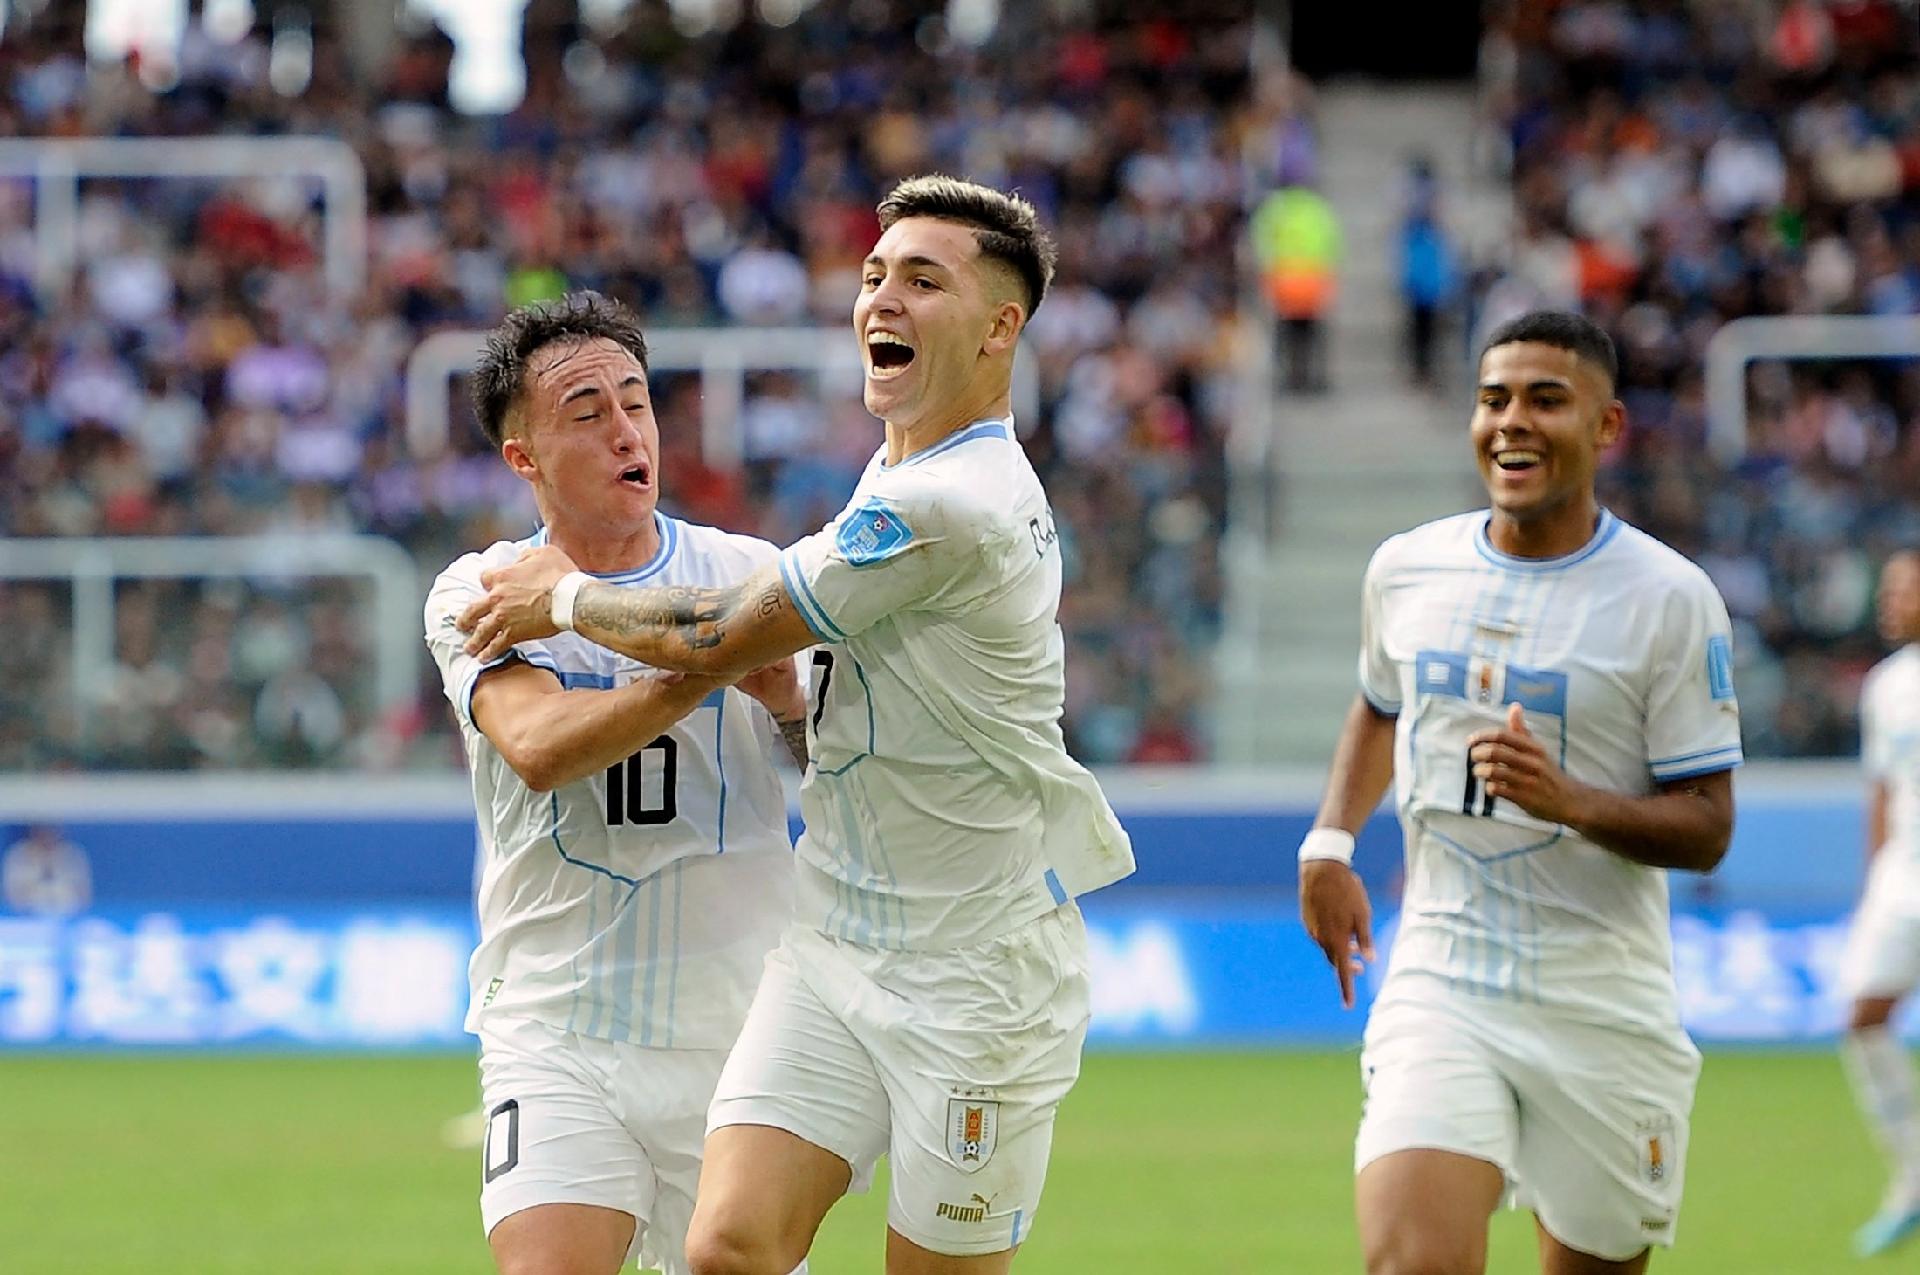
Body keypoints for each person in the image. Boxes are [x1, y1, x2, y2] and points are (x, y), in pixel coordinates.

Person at [457, 174, 1135, 1275]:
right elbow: (787, 695)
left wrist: (568, 602)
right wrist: (792, 699)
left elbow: (726, 629)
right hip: (837, 940)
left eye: (924, 280)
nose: (883, 301)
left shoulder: (948, 500)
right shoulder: (901, 461)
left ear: (1002, 326)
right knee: (726, 1251)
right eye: (874, 276)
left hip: (979, 969)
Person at [1298, 310, 1741, 1275]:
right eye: (1494, 398)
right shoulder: (1409, 568)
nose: (1513, 422)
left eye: (1547, 399)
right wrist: (1330, 840)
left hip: (1601, 1003)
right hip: (1444, 977)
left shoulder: (1670, 598)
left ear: (1607, 425)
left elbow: (1708, 828)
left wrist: (1568, 799)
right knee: (1409, 1261)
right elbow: (1380, 704)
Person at [422, 291, 810, 1275]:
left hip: (738, 1035)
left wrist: (797, 712)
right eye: (586, 413)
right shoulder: (483, 592)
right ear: (525, 458)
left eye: (636, 404)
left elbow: (836, 762)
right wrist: (716, 656)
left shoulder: (748, 568)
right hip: (558, 1024)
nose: (626, 430)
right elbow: (542, 745)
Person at [1839, 548, 1920, 1258]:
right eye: (1887, 587)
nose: (1890, 599)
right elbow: (1883, 789)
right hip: (1902, 881)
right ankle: (1913, 1176)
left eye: (1904, 587)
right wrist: (1874, 883)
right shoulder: (1887, 685)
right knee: (1864, 1016)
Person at [1, 824, 91, 917]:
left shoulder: (73, 854)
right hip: (25, 919)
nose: (47, 835)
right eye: (43, 831)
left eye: (52, 830)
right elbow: (10, 897)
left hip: (68, 918)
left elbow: (84, 895)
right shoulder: (17, 854)